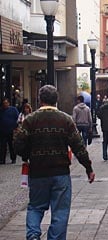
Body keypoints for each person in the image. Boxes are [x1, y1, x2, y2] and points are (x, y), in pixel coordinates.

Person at [13, 85, 95, 240]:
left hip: (37, 172)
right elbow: (79, 147)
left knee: (35, 207)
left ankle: (33, 235)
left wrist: (27, 155)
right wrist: (88, 168)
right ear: (56, 100)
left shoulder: (30, 120)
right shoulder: (65, 120)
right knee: (60, 211)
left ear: (40, 99)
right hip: (60, 172)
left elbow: (18, 145)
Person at [0, 98, 19, 164]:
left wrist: (16, 127)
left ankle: (13, 158)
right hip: (3, 131)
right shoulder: (1, 110)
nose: (5, 104)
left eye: (6, 103)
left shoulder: (13, 109)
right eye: (4, 103)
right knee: (3, 146)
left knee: (12, 146)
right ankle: (2, 159)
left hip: (11, 131)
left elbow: (18, 118)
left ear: (8, 103)